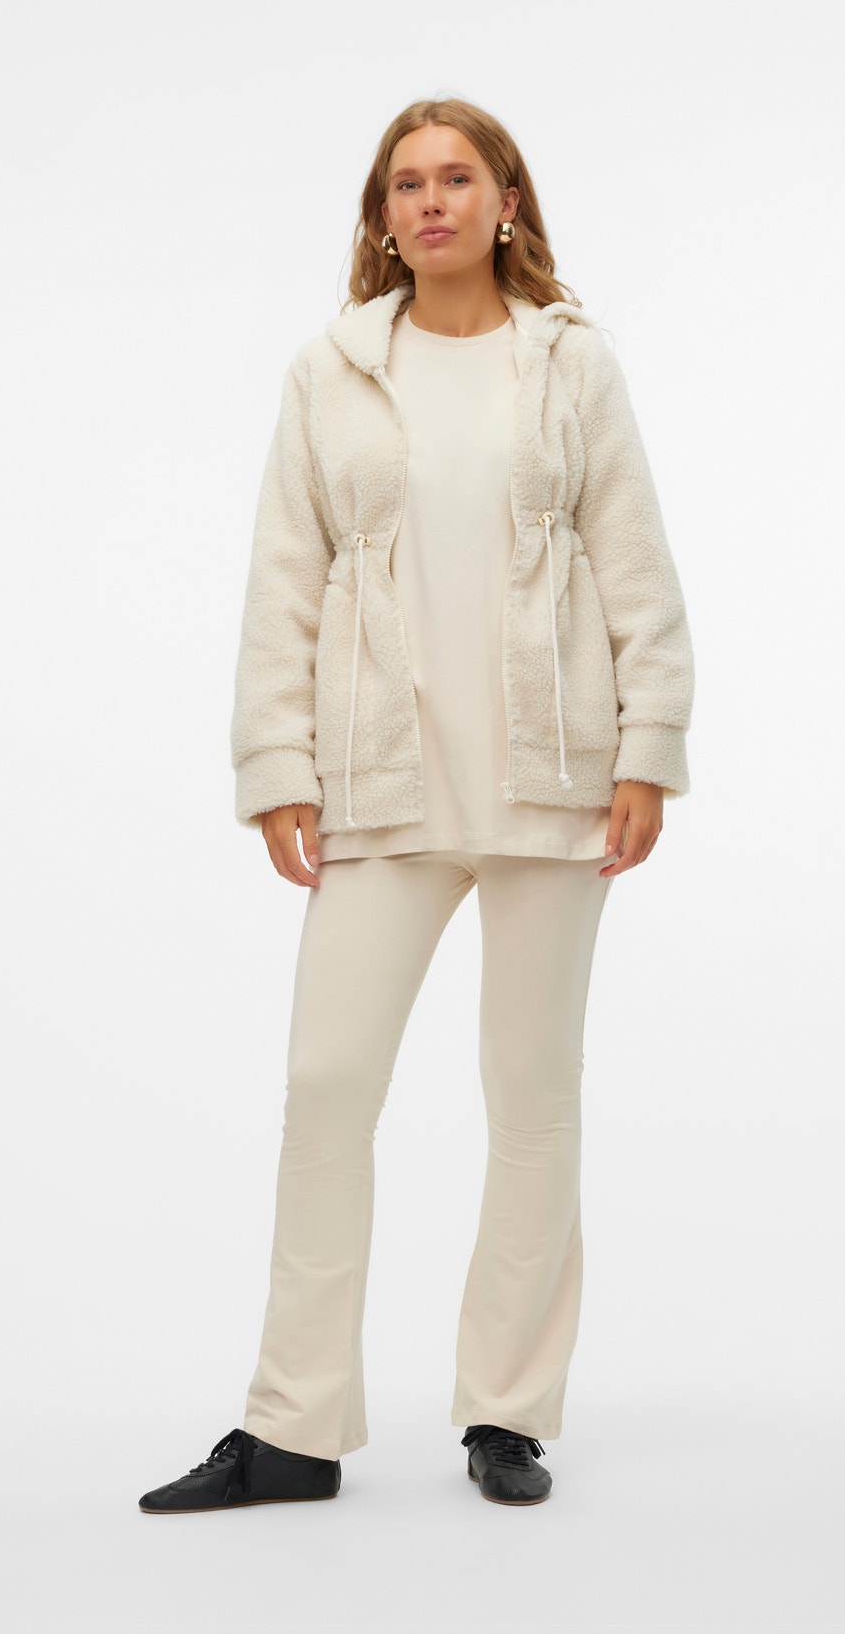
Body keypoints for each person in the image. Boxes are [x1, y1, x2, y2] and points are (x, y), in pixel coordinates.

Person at [139, 96, 694, 1515]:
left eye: (457, 177)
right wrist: (277, 765)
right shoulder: (331, 372)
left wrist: (648, 746)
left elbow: (635, 561)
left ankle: (507, 1412)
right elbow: (281, 576)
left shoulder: (572, 364)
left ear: (507, 202)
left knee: (533, 1097)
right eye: (406, 184)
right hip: (382, 780)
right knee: (328, 1085)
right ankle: (294, 1427)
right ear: (382, 217)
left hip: (552, 777)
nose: (431, 201)